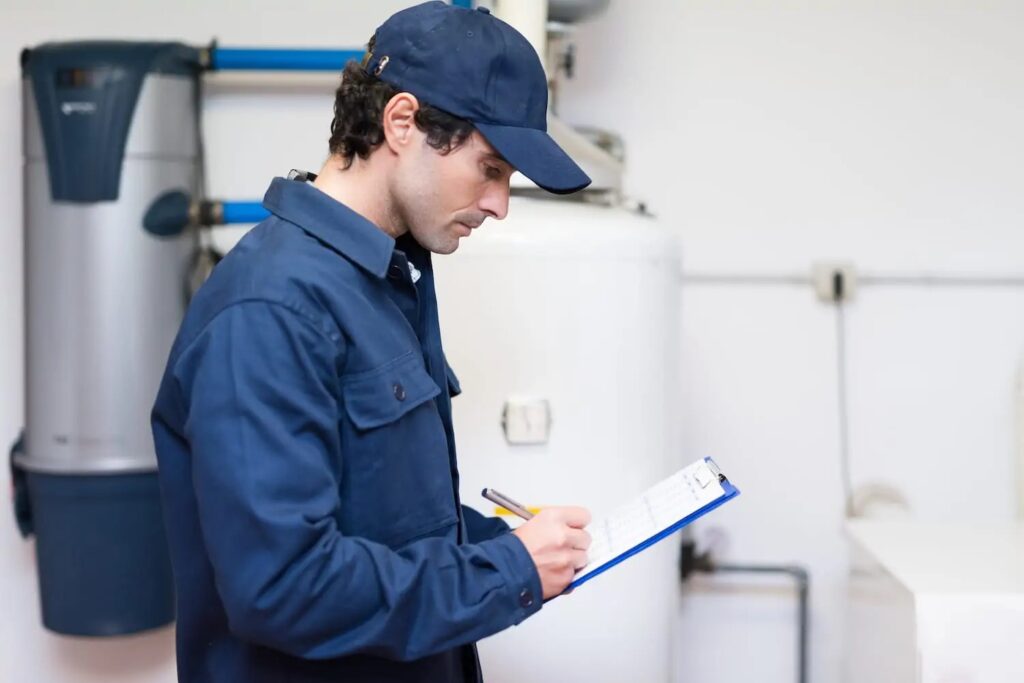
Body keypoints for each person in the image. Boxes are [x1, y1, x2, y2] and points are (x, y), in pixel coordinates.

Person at [151, 2, 595, 682]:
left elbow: (385, 517)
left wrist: (509, 546)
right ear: (402, 123)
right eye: (492, 168)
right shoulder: (269, 309)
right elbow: (283, 586)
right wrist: (505, 572)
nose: (501, 204)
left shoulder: (389, 280)